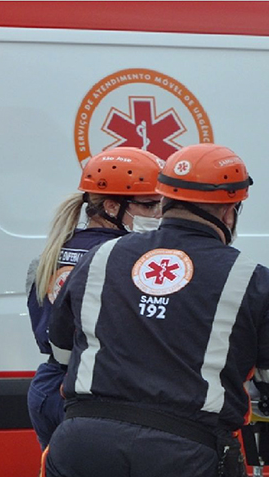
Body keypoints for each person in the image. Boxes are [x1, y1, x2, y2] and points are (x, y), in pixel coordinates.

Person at [25, 143, 269, 477]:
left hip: (87, 444)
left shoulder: (100, 258)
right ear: (230, 210)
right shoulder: (253, 279)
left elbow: (63, 352)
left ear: (164, 199)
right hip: (186, 458)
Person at [25, 146, 164, 450]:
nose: (159, 215)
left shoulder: (50, 254)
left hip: (48, 385)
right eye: (150, 205)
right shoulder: (128, 259)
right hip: (95, 395)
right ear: (112, 207)